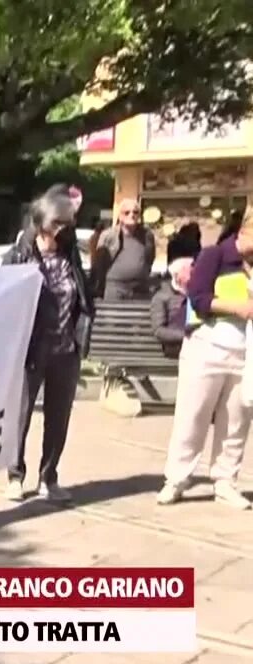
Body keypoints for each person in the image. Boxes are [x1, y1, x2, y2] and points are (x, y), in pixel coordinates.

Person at [3, 190, 95, 503]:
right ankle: (15, 475)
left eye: (68, 223)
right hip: (31, 350)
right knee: (22, 414)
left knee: (59, 418)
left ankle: (49, 477)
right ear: (43, 224)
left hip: (66, 350)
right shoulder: (20, 255)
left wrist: (83, 330)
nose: (66, 229)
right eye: (60, 223)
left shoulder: (71, 255)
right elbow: (3, 297)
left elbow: (83, 295)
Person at [157, 213, 253, 510]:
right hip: (207, 347)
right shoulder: (215, 255)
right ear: (246, 231)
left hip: (245, 351)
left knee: (236, 421)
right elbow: (198, 297)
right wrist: (237, 308)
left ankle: (225, 481)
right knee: (193, 416)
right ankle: (177, 479)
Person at [92, 198, 156, 299]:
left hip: (139, 289)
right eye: (127, 212)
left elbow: (150, 258)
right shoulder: (109, 235)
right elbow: (98, 264)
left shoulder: (147, 235)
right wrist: (97, 289)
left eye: (135, 212)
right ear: (120, 216)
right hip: (115, 288)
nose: (132, 215)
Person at [151, 257, 193, 359]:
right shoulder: (161, 297)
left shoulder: (198, 293)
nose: (195, 275)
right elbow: (159, 330)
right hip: (175, 346)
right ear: (177, 276)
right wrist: (185, 336)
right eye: (190, 272)